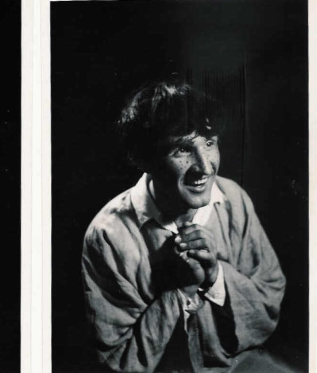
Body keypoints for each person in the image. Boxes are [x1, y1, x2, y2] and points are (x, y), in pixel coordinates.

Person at [82, 81, 287, 373]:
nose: (205, 167)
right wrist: (178, 290)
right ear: (143, 159)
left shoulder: (233, 199)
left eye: (209, 142)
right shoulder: (107, 235)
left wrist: (216, 276)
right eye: (182, 149)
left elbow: (268, 307)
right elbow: (117, 360)